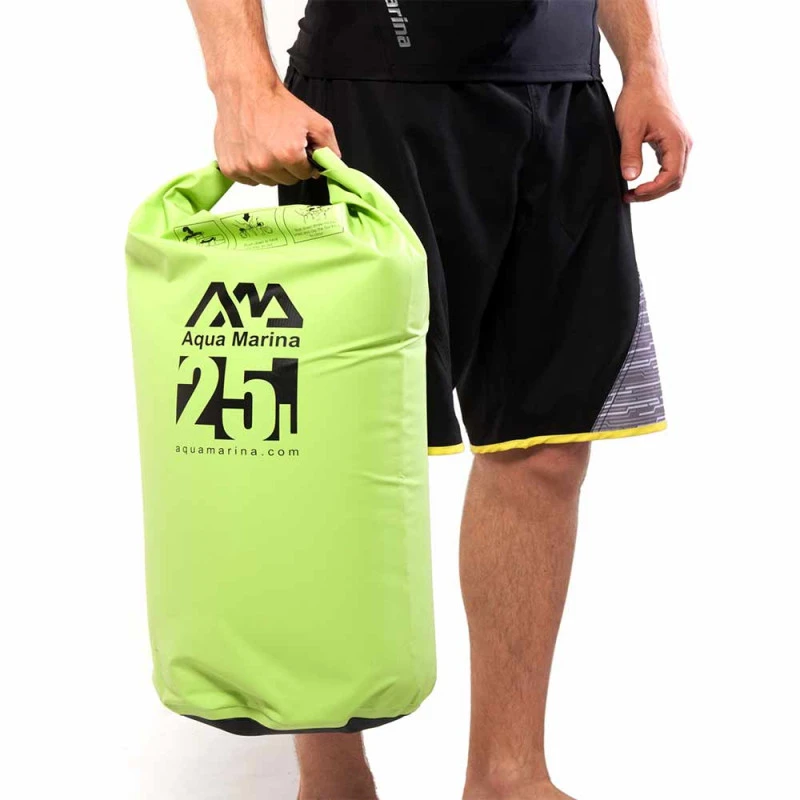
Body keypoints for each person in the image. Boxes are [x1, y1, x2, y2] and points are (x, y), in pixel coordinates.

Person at [185, 1, 691, 797]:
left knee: (547, 445)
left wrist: (646, 63)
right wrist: (240, 83)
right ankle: (332, 779)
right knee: (335, 454)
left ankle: (508, 777)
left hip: (563, 93)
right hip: (376, 87)